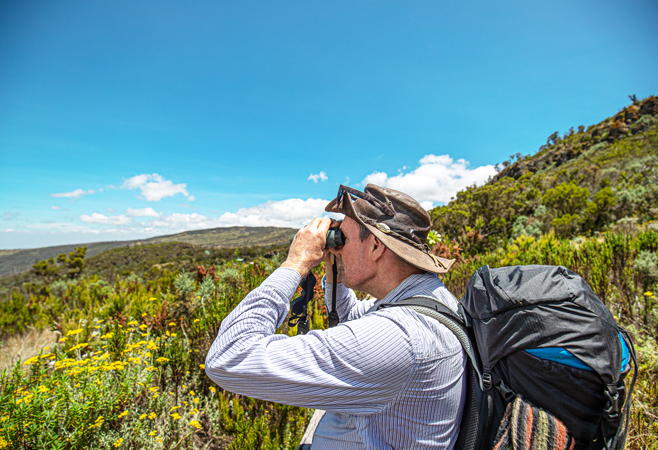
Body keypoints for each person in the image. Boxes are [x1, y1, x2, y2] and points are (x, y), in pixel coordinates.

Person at [205, 184, 466, 449]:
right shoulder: (430, 299)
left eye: (345, 239)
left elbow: (229, 356)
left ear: (376, 247)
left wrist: (295, 263)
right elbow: (351, 317)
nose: (338, 247)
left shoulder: (400, 338)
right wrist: (337, 268)